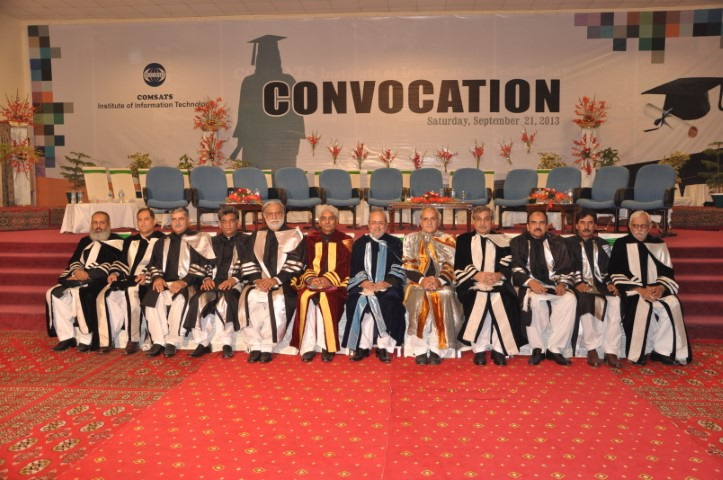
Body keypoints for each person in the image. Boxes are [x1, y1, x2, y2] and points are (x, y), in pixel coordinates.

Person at [609, 210, 692, 366]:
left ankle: (662, 351)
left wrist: (661, 288)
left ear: (649, 227)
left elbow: (668, 272)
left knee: (673, 303)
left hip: (656, 290)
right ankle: (639, 352)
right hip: (633, 291)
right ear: (630, 227)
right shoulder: (621, 244)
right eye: (636, 226)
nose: (639, 229)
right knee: (641, 305)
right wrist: (640, 290)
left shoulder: (659, 244)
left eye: (643, 226)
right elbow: (614, 272)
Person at [236, 200, 305, 363]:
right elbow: (247, 261)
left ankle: (268, 346)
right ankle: (254, 345)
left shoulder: (294, 235)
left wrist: (275, 280)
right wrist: (257, 280)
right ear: (264, 216)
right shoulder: (256, 235)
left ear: (284, 214)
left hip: (284, 282)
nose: (274, 217)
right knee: (249, 297)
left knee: (277, 300)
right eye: (270, 214)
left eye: (277, 213)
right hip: (259, 282)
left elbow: (296, 263)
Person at [454, 206, 523, 366]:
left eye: (486, 219)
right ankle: (479, 348)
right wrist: (476, 275)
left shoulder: (503, 239)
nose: (482, 223)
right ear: (473, 221)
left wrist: (499, 275)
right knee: (478, 299)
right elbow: (459, 264)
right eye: (478, 219)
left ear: (492, 221)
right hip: (472, 283)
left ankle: (499, 348)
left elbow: (510, 262)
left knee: (504, 300)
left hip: (499, 283)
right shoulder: (463, 239)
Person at [46, 211, 123, 352]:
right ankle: (66, 337)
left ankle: (86, 338)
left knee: (82, 294)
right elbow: (74, 260)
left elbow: (114, 264)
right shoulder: (85, 240)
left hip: (99, 279)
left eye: (101, 222)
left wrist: (88, 275)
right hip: (78, 277)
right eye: (95, 223)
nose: (98, 226)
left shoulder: (117, 242)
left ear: (108, 224)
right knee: (54, 293)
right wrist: (77, 272)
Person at [142, 207, 214, 358]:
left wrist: (184, 282)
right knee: (152, 297)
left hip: (189, 283)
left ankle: (172, 341)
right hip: (165, 282)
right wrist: (157, 278)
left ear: (188, 220)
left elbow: (203, 264)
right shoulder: (162, 241)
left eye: (181, 219)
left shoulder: (200, 238)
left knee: (180, 299)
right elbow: (153, 264)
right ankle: (158, 340)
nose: (177, 222)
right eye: (174, 219)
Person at [510, 210, 576, 366]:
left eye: (541, 223)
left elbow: (567, 267)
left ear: (547, 226)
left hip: (554, 284)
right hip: (531, 286)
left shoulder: (558, 242)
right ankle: (537, 348)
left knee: (570, 300)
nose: (537, 226)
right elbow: (515, 268)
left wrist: (563, 283)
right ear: (527, 226)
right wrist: (530, 282)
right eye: (533, 223)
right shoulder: (517, 242)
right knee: (533, 301)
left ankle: (555, 348)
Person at [96, 207, 164, 354]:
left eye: (146, 219)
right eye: (140, 220)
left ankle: (133, 339)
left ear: (154, 222)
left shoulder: (162, 240)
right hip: (128, 278)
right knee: (105, 295)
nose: (143, 222)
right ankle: (106, 340)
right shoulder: (130, 240)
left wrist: (147, 275)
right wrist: (115, 273)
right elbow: (122, 261)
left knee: (132, 293)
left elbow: (162, 263)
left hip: (148, 280)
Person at [342, 208, 406, 363]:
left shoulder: (395, 243)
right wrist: (364, 282)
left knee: (390, 301)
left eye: (381, 223)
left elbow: (399, 266)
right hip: (364, 285)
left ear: (386, 225)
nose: (377, 226)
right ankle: (362, 346)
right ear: (368, 225)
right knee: (357, 301)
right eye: (374, 223)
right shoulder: (360, 243)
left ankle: (383, 346)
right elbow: (355, 267)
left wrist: (386, 282)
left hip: (388, 286)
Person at [183, 206, 247, 359]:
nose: (228, 225)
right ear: (219, 224)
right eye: (224, 221)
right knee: (198, 299)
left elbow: (249, 263)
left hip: (236, 282)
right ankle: (202, 343)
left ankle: (226, 342)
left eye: (232, 221)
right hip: (213, 282)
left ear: (238, 222)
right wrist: (206, 278)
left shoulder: (247, 241)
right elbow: (203, 262)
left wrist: (233, 279)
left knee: (227, 300)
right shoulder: (211, 242)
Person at [291, 205, 352, 362]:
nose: (327, 222)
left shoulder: (345, 240)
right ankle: (308, 346)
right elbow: (303, 263)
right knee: (305, 298)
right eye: (323, 219)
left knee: (327, 299)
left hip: (335, 284)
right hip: (312, 282)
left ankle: (327, 345)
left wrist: (328, 280)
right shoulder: (310, 239)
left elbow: (346, 266)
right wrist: (311, 279)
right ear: (319, 222)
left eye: (331, 218)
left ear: (336, 221)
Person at [402, 206, 463, 365]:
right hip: (416, 283)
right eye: (425, 219)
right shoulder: (410, 238)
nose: (429, 222)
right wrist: (423, 281)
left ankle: (438, 348)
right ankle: (420, 349)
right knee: (419, 297)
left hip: (442, 283)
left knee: (444, 295)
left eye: (433, 219)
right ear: (420, 222)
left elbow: (451, 265)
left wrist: (438, 281)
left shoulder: (448, 239)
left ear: (438, 221)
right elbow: (408, 265)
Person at [565, 210, 624, 368]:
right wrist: (577, 282)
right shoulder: (567, 243)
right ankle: (592, 349)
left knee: (616, 301)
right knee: (587, 299)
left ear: (595, 225)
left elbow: (611, 267)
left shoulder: (602, 244)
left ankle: (611, 350)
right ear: (576, 225)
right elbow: (565, 265)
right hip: (578, 284)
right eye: (582, 223)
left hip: (601, 284)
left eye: (590, 223)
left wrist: (611, 282)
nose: (586, 226)